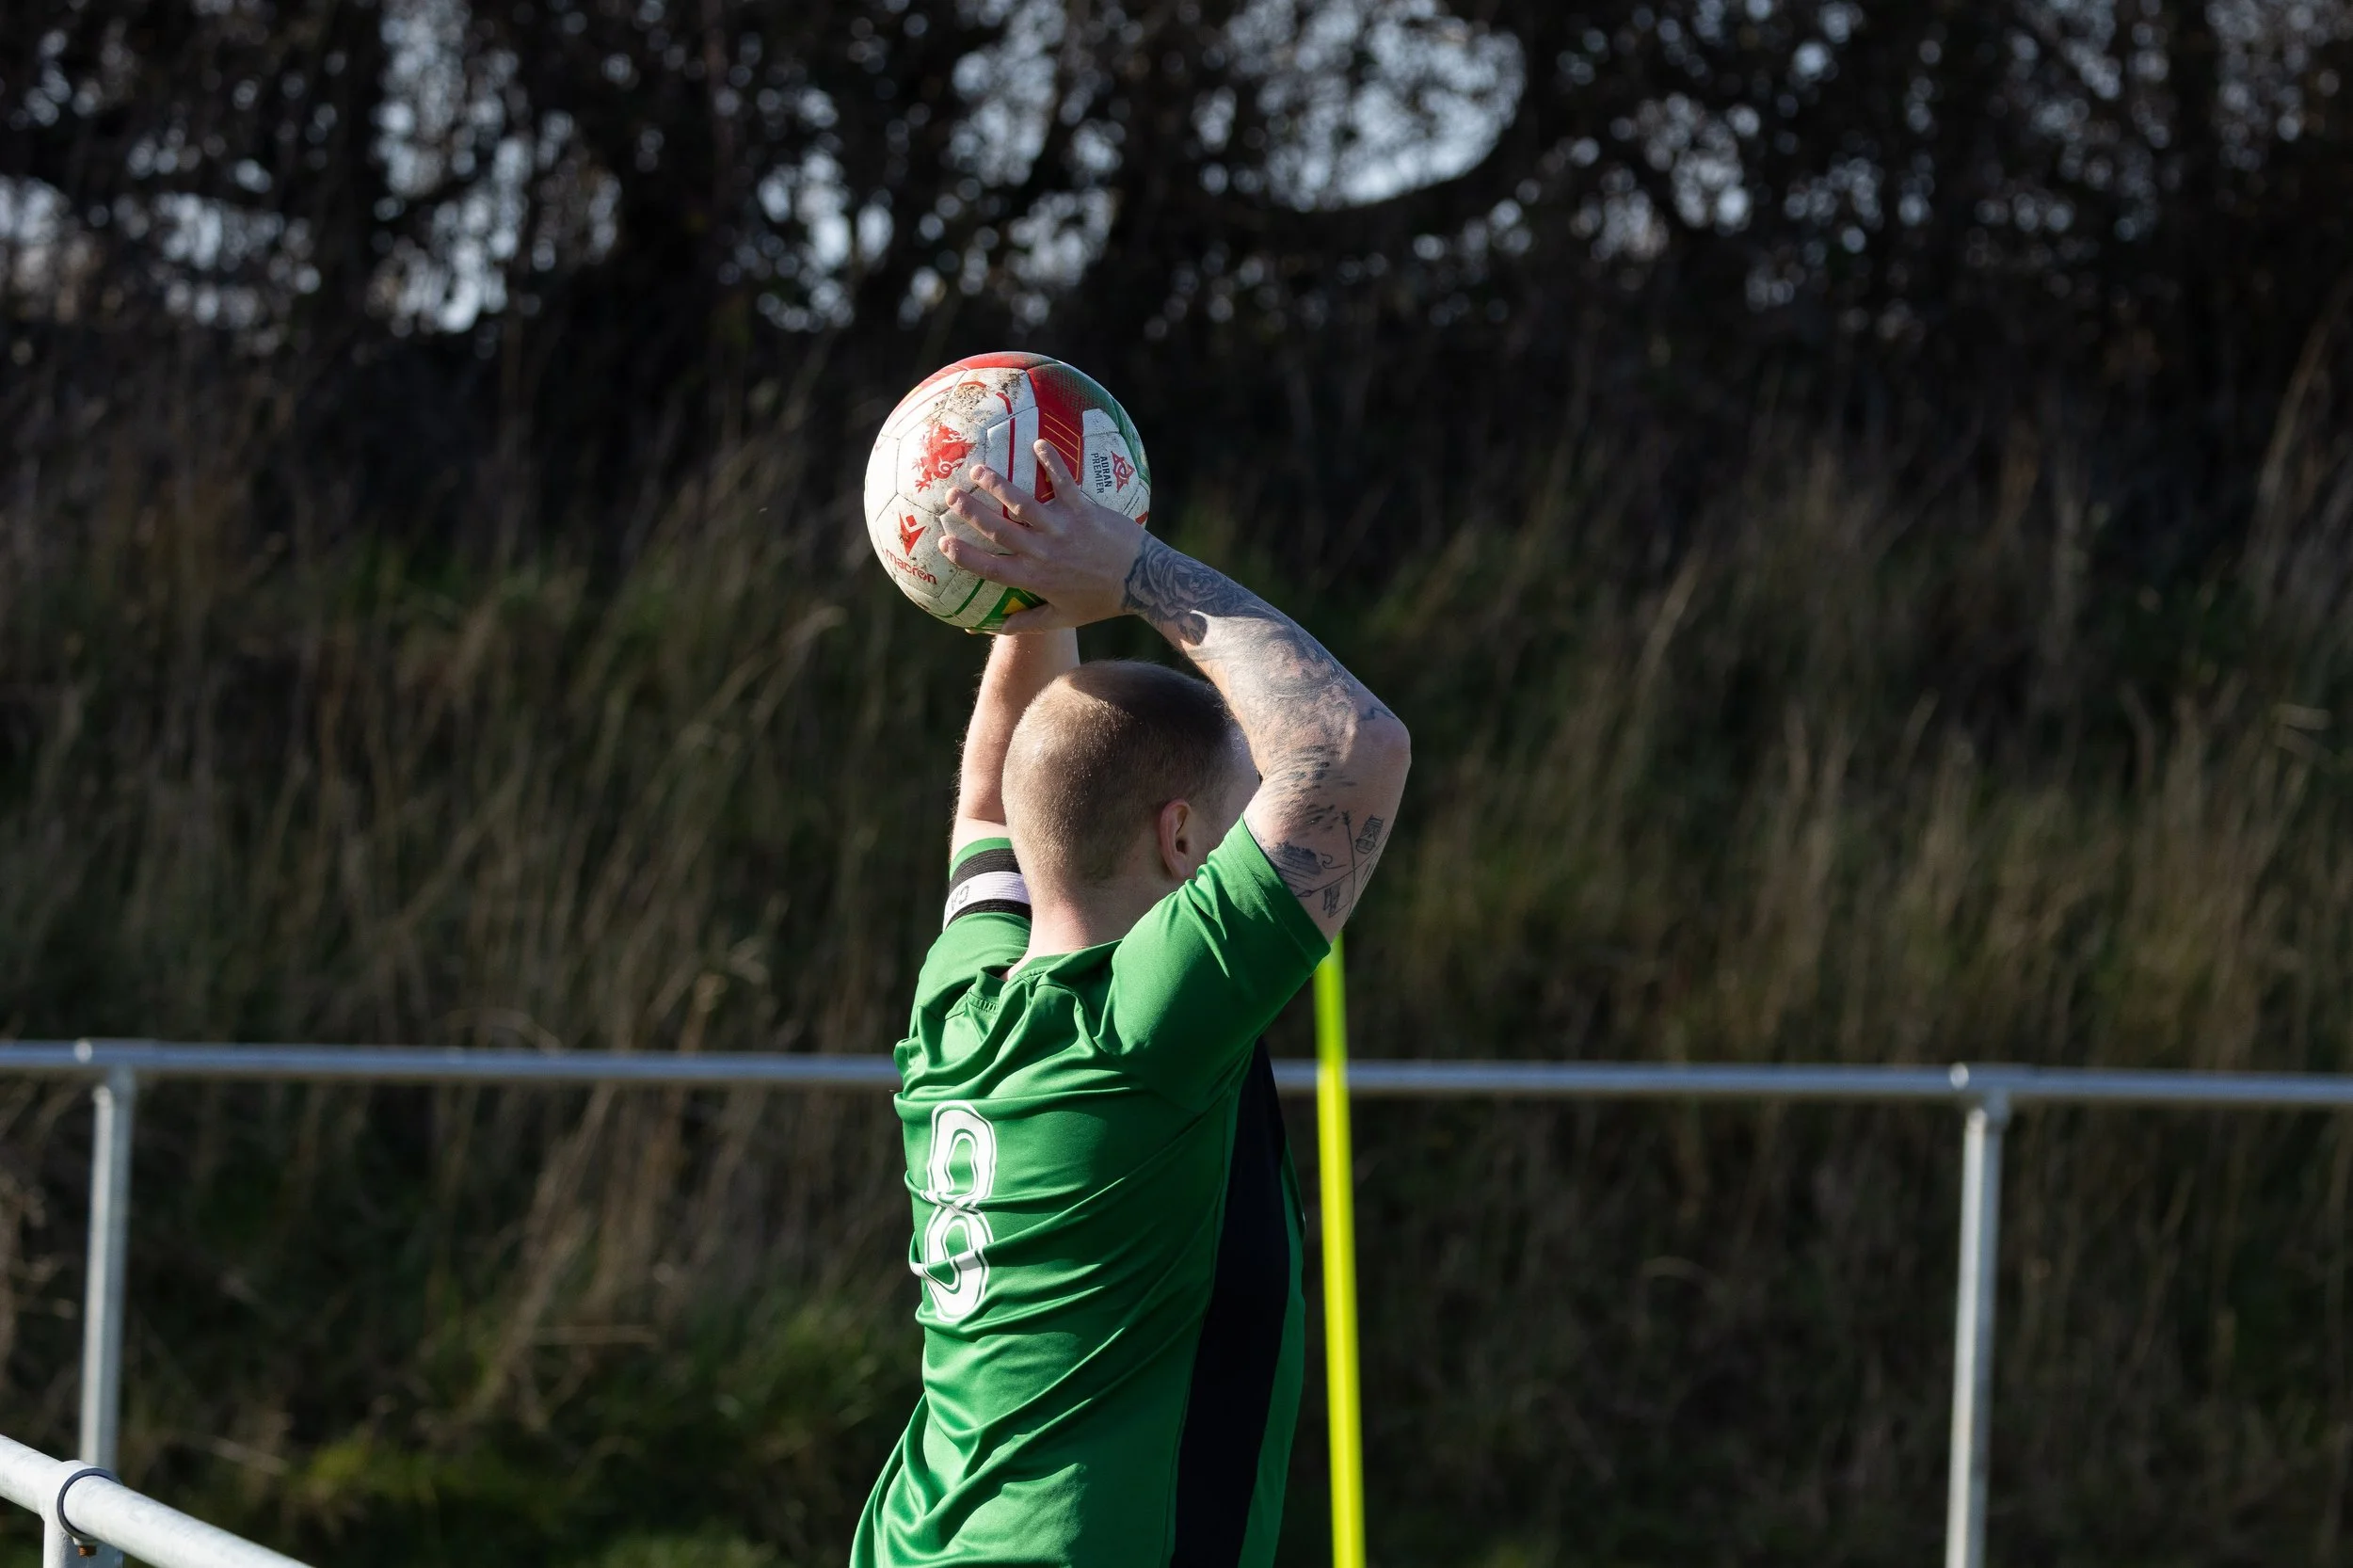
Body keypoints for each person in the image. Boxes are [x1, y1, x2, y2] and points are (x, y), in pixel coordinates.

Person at [852, 439, 1411, 1568]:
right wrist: (1135, 568)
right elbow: (1351, 749)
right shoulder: (1146, 1026)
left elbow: (990, 796)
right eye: (1239, 808)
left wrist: (1023, 572)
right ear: (1180, 837)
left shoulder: (957, 1008)